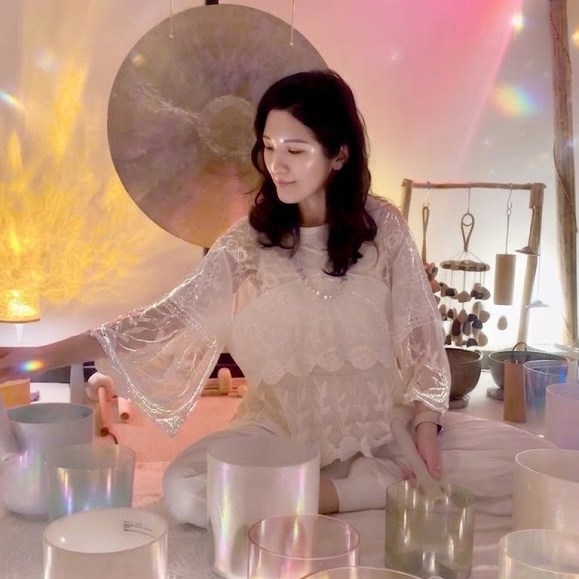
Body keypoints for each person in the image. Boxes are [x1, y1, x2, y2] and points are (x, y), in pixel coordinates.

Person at [0, 69, 551, 527]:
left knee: (522, 468)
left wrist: (427, 425)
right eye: (267, 146)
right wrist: (37, 357)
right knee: (187, 489)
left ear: (338, 155)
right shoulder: (247, 243)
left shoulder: (383, 226)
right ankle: (354, 491)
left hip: (381, 429)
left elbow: (421, 335)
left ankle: (346, 485)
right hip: (279, 430)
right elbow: (164, 319)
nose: (275, 165)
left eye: (295, 149)